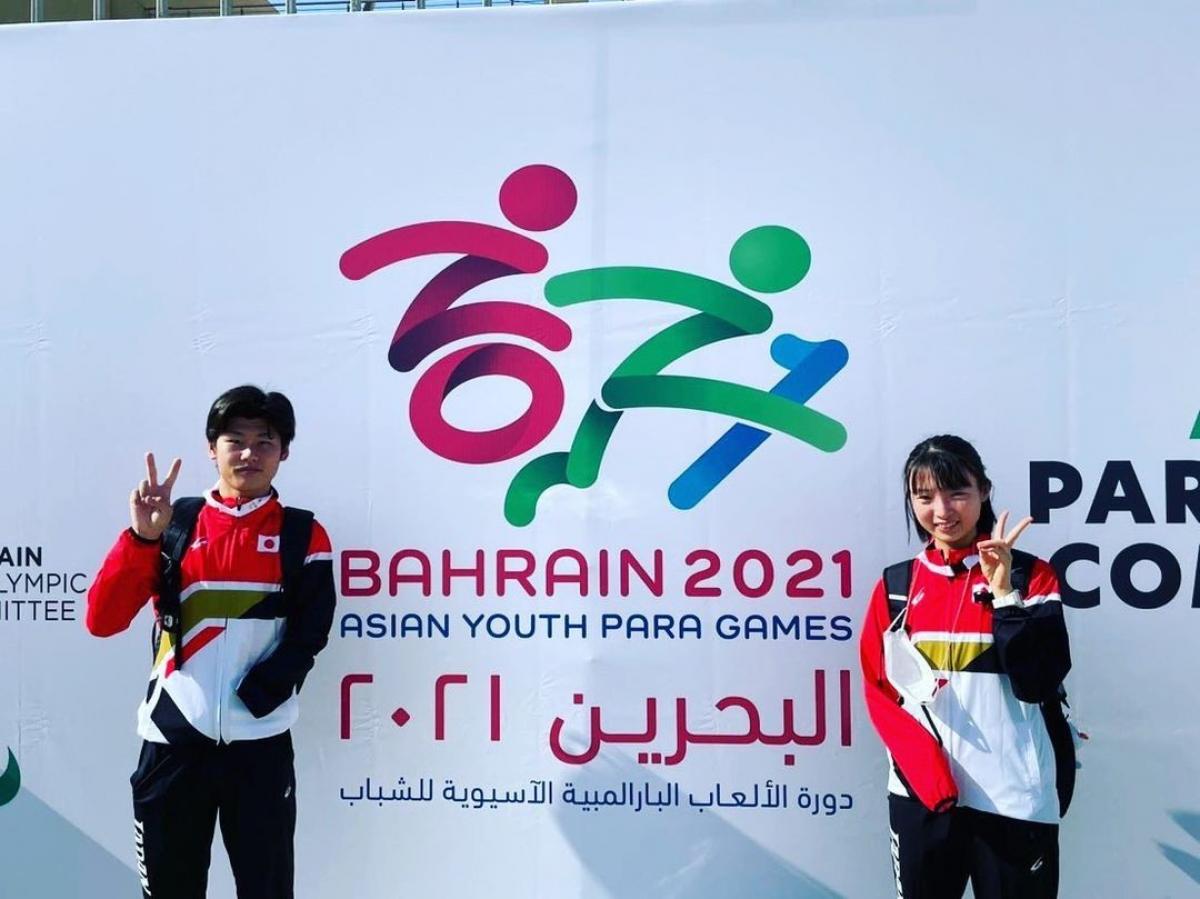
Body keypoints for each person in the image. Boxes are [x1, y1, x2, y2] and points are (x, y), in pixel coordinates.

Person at [86, 385, 335, 899]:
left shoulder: (303, 535)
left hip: (259, 750)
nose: (249, 453)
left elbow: (312, 631)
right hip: (172, 745)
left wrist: (265, 694)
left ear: (283, 452)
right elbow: (103, 620)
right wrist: (142, 540)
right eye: (234, 439)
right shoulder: (174, 524)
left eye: (264, 441)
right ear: (211, 448)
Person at [860, 435, 1075, 899]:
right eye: (924, 496)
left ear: (984, 491)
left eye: (957, 492)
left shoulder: (1033, 577)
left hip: (1014, 802)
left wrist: (1003, 594)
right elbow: (878, 691)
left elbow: (1037, 682)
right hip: (924, 800)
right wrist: (930, 777)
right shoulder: (897, 585)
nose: (942, 510)